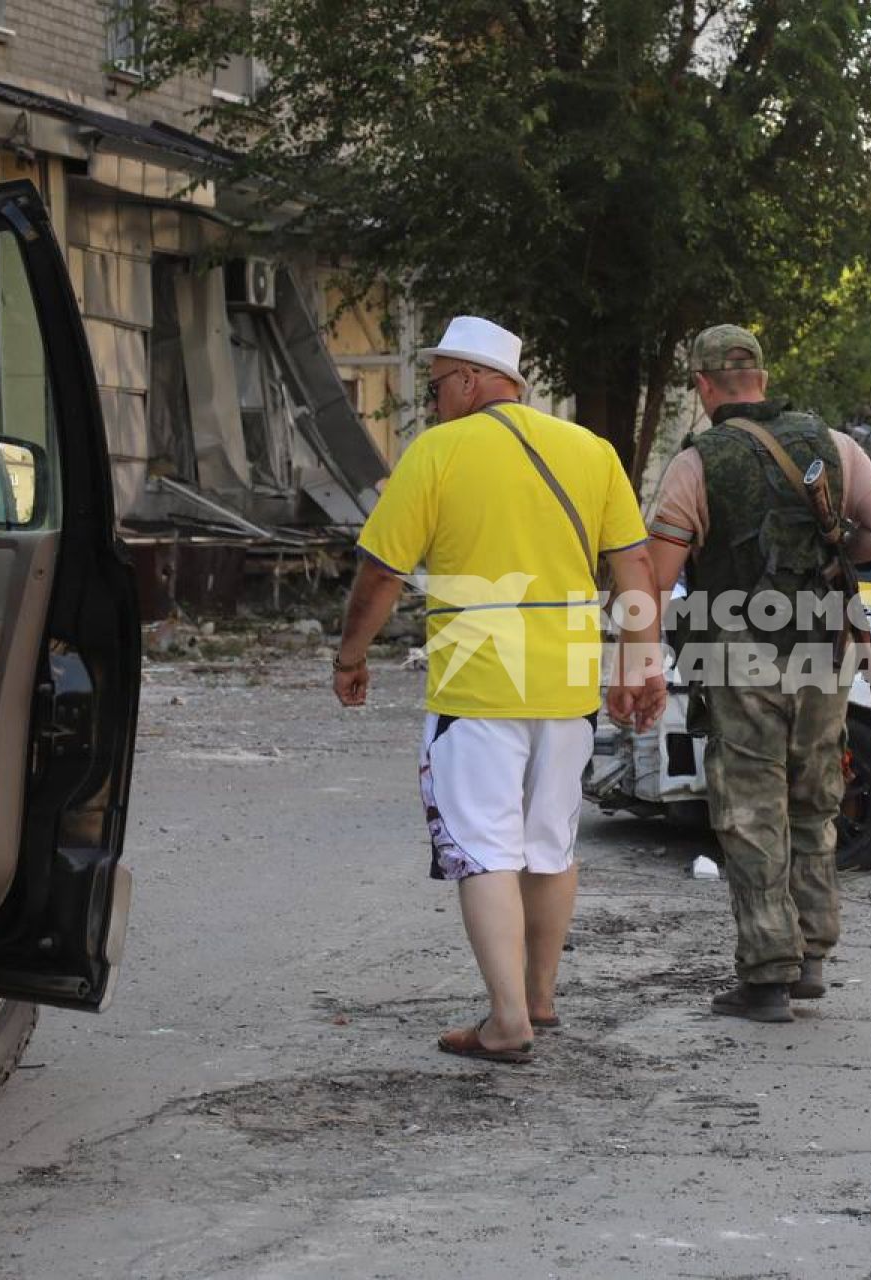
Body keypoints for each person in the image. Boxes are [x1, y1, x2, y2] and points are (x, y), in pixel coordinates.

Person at [333, 315, 666, 1064]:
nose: (437, 397)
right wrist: (641, 662)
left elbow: (383, 572)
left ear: (478, 379)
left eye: (443, 381)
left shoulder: (439, 454)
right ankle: (540, 999)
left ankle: (507, 1021)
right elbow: (635, 565)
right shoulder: (591, 451)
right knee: (549, 845)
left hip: (478, 688)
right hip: (568, 685)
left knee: (485, 851)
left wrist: (349, 655)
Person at [646, 324, 871, 1023]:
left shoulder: (698, 463)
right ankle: (813, 956)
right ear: (761, 377)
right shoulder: (833, 445)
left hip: (740, 654)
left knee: (749, 806)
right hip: (826, 648)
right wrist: (835, 551)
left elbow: (657, 579)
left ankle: (766, 974)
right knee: (816, 794)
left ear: (704, 386)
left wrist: (637, 656)